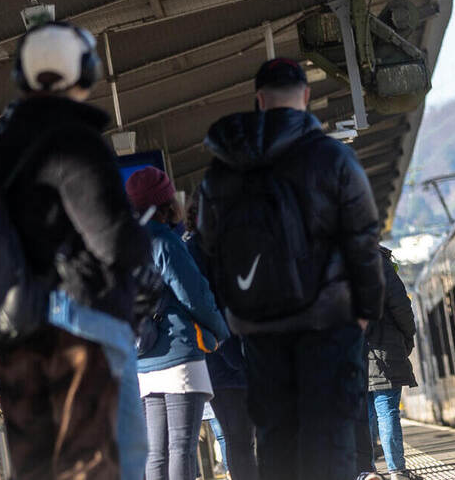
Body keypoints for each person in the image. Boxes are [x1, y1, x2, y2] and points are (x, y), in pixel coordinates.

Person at [0, 21, 153, 480]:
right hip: (82, 322)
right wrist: (142, 243)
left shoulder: (1, 147)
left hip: (21, 329)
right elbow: (113, 240)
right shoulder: (73, 140)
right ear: (86, 71)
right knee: (111, 462)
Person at [198, 57, 386, 480]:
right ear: (305, 96)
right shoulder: (333, 158)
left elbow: (210, 247)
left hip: (261, 326)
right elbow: (363, 238)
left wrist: (238, 308)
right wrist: (364, 312)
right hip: (329, 321)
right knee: (330, 436)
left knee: (276, 439)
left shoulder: (223, 168)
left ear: (260, 100)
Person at [128, 166, 230, 480]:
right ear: (166, 203)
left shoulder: (125, 245)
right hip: (178, 354)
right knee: (181, 447)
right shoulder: (164, 241)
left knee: (156, 453)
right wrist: (220, 332)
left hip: (143, 358)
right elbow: (194, 295)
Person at [186, 201, 259, 480]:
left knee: (245, 438)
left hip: (241, 358)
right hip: (223, 361)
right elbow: (208, 306)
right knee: (238, 438)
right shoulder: (196, 253)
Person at [356, 248, 418, 480]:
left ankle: (367, 470)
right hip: (386, 350)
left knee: (364, 415)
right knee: (387, 411)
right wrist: (407, 336)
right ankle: (397, 471)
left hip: (352, 354)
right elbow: (401, 306)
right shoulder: (379, 263)